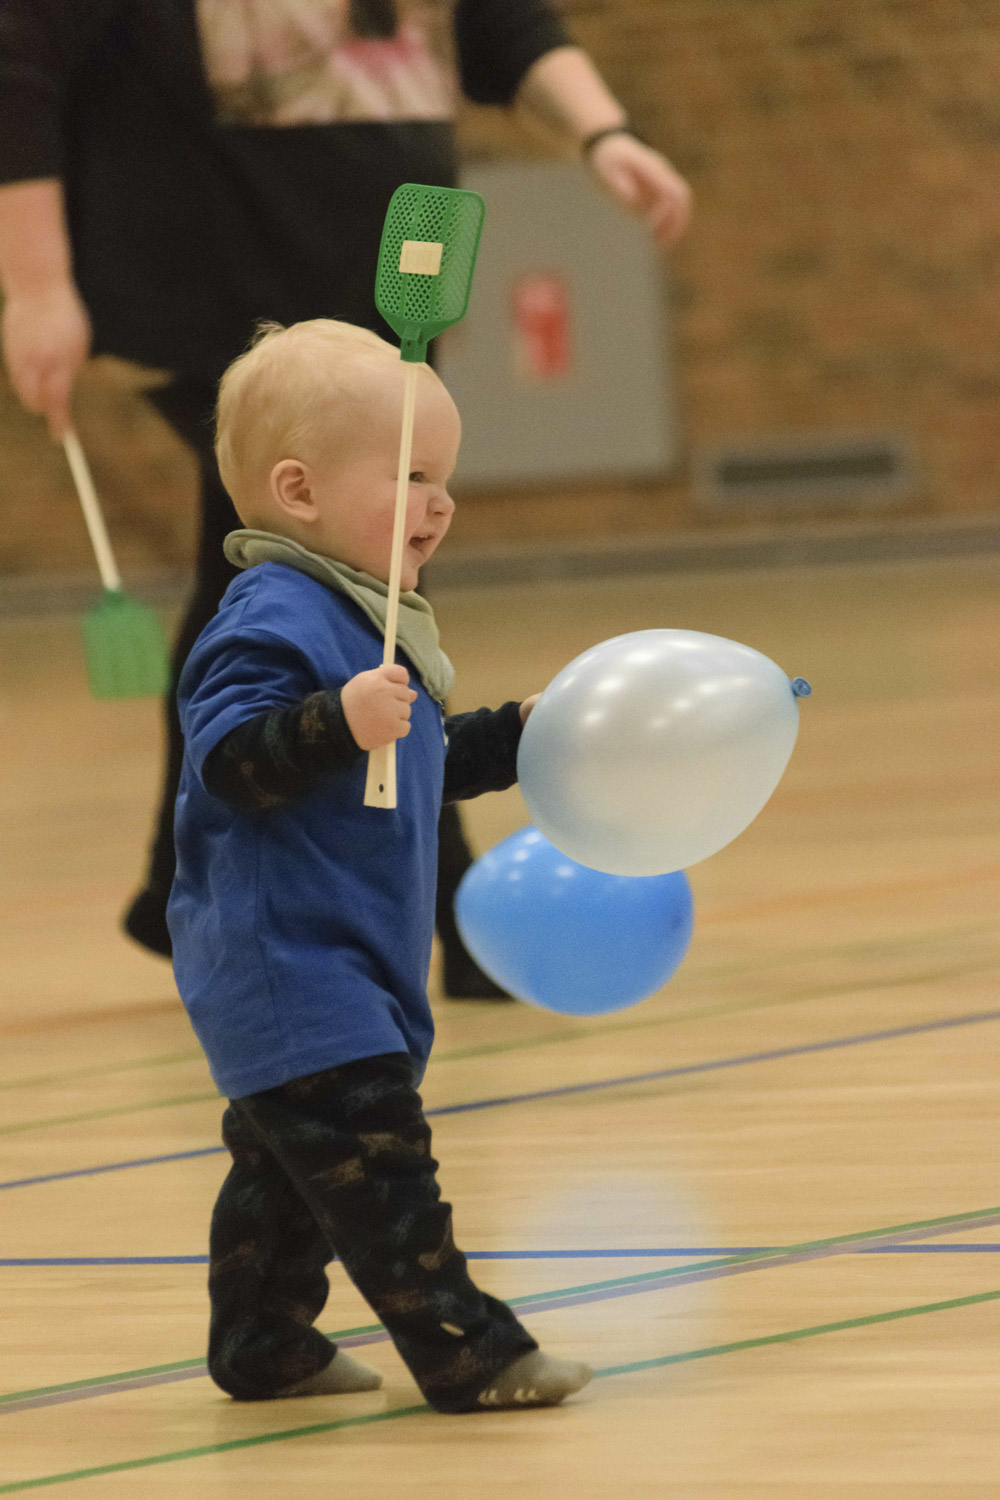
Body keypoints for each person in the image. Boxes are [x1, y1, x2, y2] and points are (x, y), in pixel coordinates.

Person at [0, 0, 691, 996]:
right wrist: (36, 283)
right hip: (214, 263)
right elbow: (26, 62)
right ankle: (437, 898)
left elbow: (502, 24)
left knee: (273, 567)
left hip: (386, 271)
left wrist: (604, 131)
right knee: (313, 561)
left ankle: (189, 882)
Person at [167, 315, 591, 1411]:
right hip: (287, 965)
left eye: (444, 477)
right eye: (410, 474)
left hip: (351, 963)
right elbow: (228, 762)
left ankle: (263, 1344)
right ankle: (468, 1353)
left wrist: (518, 736)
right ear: (299, 492)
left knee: (285, 1180)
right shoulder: (272, 616)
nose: (440, 502)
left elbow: (415, 766)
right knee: (384, 1174)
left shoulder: (375, 624)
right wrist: (327, 722)